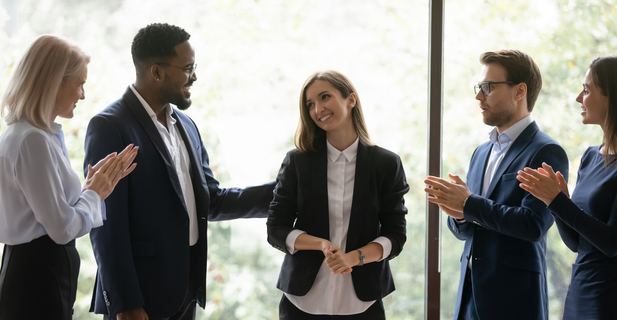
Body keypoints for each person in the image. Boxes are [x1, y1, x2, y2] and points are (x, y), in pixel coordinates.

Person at [83, 23, 276, 320]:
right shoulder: (110, 126)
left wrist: (285, 191)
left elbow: (212, 200)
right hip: (140, 300)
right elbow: (107, 225)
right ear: (157, 72)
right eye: (188, 68)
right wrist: (125, 304)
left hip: (185, 292)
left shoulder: (188, 126)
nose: (195, 76)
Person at [424, 49, 569, 320]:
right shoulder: (481, 152)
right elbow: (471, 229)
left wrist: (468, 204)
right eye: (478, 87)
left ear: (519, 91)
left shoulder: (546, 151)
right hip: (469, 298)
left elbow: (533, 225)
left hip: (514, 301)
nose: (479, 96)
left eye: (488, 87)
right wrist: (458, 214)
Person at [0, 35, 137, 320]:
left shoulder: (32, 135)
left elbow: (49, 212)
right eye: (80, 84)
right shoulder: (32, 140)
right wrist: (94, 194)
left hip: (37, 274)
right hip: (37, 280)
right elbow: (61, 227)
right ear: (54, 82)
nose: (83, 95)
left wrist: (91, 188)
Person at [266, 70, 410, 319]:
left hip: (362, 303)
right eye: (310, 104)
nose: (317, 109)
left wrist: (355, 258)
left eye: (325, 97)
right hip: (301, 302)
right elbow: (276, 229)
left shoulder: (386, 163)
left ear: (351, 100)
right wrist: (320, 244)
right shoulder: (297, 161)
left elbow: (395, 235)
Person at [517, 55, 617, 319]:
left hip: (612, 302)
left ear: (613, 96)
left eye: (586, 90)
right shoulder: (589, 156)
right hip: (578, 295)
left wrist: (559, 202)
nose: (578, 98)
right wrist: (556, 201)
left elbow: (612, 243)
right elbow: (576, 243)